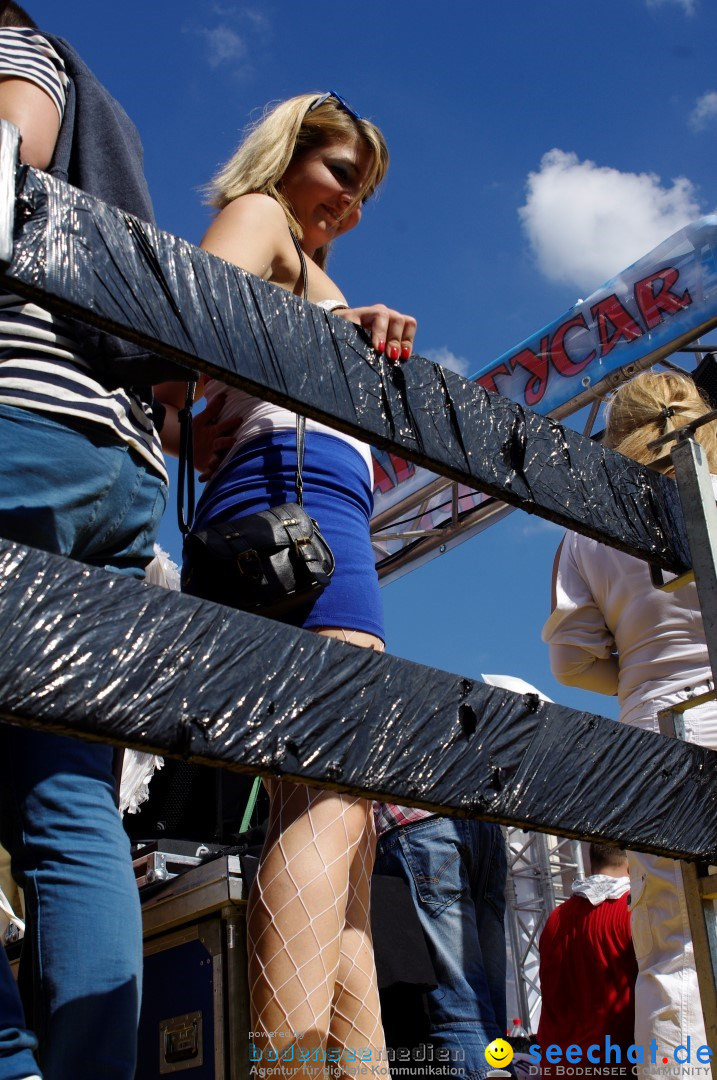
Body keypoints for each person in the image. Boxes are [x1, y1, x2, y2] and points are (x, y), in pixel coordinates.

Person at [155, 92, 416, 1075]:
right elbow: (176, 323)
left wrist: (338, 328)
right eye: (341, 172)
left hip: (305, 508)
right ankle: (290, 1070)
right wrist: (335, 332)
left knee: (344, 826)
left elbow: (181, 397)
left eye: (364, 192)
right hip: (292, 511)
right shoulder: (264, 215)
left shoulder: (310, 268)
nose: (348, 204)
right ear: (286, 151)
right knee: (338, 798)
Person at [0, 4, 190, 1077]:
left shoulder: (19, 49)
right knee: (68, 793)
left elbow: (6, 142)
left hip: (16, 420)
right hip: (114, 464)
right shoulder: (106, 110)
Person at [542, 370, 717, 1062]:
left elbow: (569, 662)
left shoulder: (592, 517)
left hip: (655, 735)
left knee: (674, 957)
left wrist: (642, 675)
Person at [537, 844, 637, 1077]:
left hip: (559, 1068)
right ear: (632, 862)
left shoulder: (555, 919)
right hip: (615, 1066)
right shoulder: (632, 911)